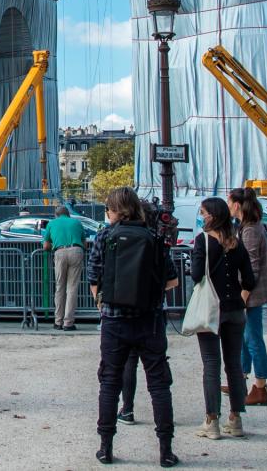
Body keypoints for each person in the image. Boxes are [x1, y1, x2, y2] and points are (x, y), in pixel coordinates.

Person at [88, 187, 178, 467]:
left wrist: (103, 303)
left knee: (109, 383)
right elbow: (172, 280)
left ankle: (106, 447)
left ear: (115, 210)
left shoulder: (105, 235)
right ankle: (165, 450)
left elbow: (94, 276)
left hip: (115, 321)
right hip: (149, 320)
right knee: (159, 386)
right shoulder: (154, 237)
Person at [190, 196, 254, 441]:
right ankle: (235, 418)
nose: (201, 216)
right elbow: (249, 279)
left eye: (203, 212)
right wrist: (241, 296)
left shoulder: (203, 241)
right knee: (234, 365)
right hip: (235, 309)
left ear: (212, 216)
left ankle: (211, 420)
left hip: (211, 308)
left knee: (211, 364)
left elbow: (196, 275)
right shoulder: (236, 243)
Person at [227, 191, 267, 406]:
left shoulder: (249, 230)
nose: (228, 205)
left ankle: (260, 387)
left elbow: (251, 268)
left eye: (230, 202)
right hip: (252, 292)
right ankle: (241, 378)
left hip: (251, 294)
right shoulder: (251, 226)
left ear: (238, 205)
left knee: (252, 339)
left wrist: (242, 296)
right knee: (247, 338)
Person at [43, 205, 88, 332]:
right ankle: (68, 323)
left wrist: (56, 244)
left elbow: (46, 246)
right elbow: (84, 243)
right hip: (76, 251)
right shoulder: (77, 222)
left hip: (60, 252)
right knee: (72, 288)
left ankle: (58, 322)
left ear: (56, 215)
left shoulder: (52, 223)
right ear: (68, 214)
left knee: (59, 287)